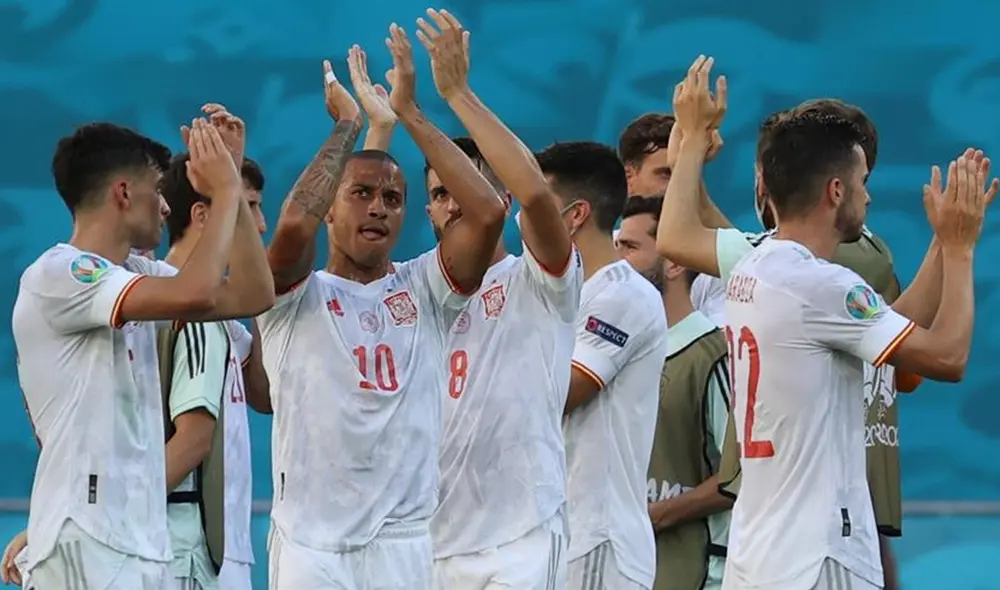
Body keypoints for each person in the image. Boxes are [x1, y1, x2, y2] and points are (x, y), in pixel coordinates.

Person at [672, 56, 987, 589]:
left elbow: (884, 329)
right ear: (835, 191)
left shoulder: (756, 264)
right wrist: (959, 251)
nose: (869, 193)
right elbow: (947, 357)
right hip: (820, 553)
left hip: (759, 547)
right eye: (862, 180)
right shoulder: (823, 285)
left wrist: (938, 239)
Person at [259, 20, 506, 590]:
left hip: (404, 545)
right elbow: (294, 223)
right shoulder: (296, 296)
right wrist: (352, 124)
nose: (378, 209)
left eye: (393, 199)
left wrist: (412, 113)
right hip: (312, 545)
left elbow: (489, 212)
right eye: (361, 195)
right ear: (331, 207)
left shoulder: (426, 290)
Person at [11, 119, 274, 589]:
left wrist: (231, 185)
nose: (167, 204)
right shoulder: (59, 274)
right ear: (123, 193)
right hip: (87, 538)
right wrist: (222, 195)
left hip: (139, 539)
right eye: (158, 188)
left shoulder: (136, 272)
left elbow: (254, 294)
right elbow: (197, 292)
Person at [418, 13, 581, 587]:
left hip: (520, 540)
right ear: (429, 209)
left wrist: (457, 95)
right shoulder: (414, 292)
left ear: (500, 197)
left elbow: (537, 192)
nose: (454, 203)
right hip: (427, 546)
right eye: (440, 193)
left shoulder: (538, 280)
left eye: (468, 188)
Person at [534, 139, 667, 590]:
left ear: (575, 215)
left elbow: (557, 396)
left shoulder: (621, 296)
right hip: (552, 536)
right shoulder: (555, 293)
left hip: (596, 539)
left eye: (539, 204)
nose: (526, 217)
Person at [616, 195, 733, 590]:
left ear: (674, 262)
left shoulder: (713, 355)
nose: (617, 261)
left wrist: (659, 515)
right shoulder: (614, 354)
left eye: (630, 248)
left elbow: (743, 474)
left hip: (696, 573)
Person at [617, 114, 727, 324]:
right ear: (629, 178)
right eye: (666, 174)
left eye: (683, 173)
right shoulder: (603, 255)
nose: (677, 186)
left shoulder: (714, 268)